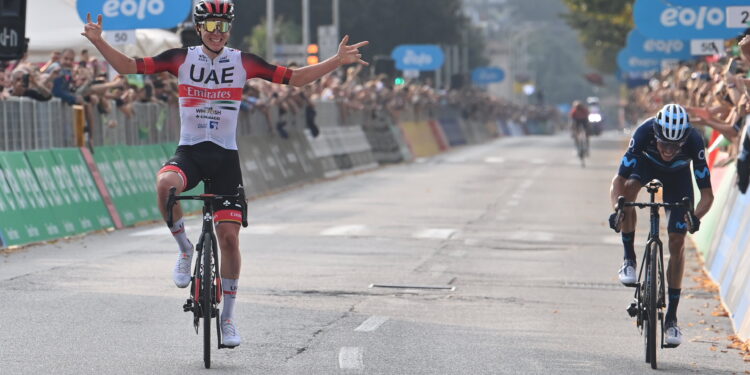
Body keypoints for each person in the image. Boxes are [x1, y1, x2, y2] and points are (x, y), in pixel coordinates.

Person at [80, 0, 368, 348]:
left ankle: (228, 319)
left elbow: (294, 79)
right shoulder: (181, 58)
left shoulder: (242, 61)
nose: (218, 33)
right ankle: (185, 249)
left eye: (224, 26)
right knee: (164, 184)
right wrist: (98, 41)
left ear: (229, 29)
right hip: (191, 152)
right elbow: (128, 66)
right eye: (211, 27)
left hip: (225, 158)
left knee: (229, 238)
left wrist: (336, 61)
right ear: (200, 29)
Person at [608, 103, 714, 347]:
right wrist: (617, 209)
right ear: (656, 135)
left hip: (678, 177)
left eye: (675, 146)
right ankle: (629, 260)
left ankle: (671, 320)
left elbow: (707, 195)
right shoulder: (644, 132)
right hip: (646, 167)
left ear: (684, 140)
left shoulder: (694, 141)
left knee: (677, 242)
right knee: (629, 194)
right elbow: (618, 181)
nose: (668, 150)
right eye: (664, 143)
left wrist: (695, 217)